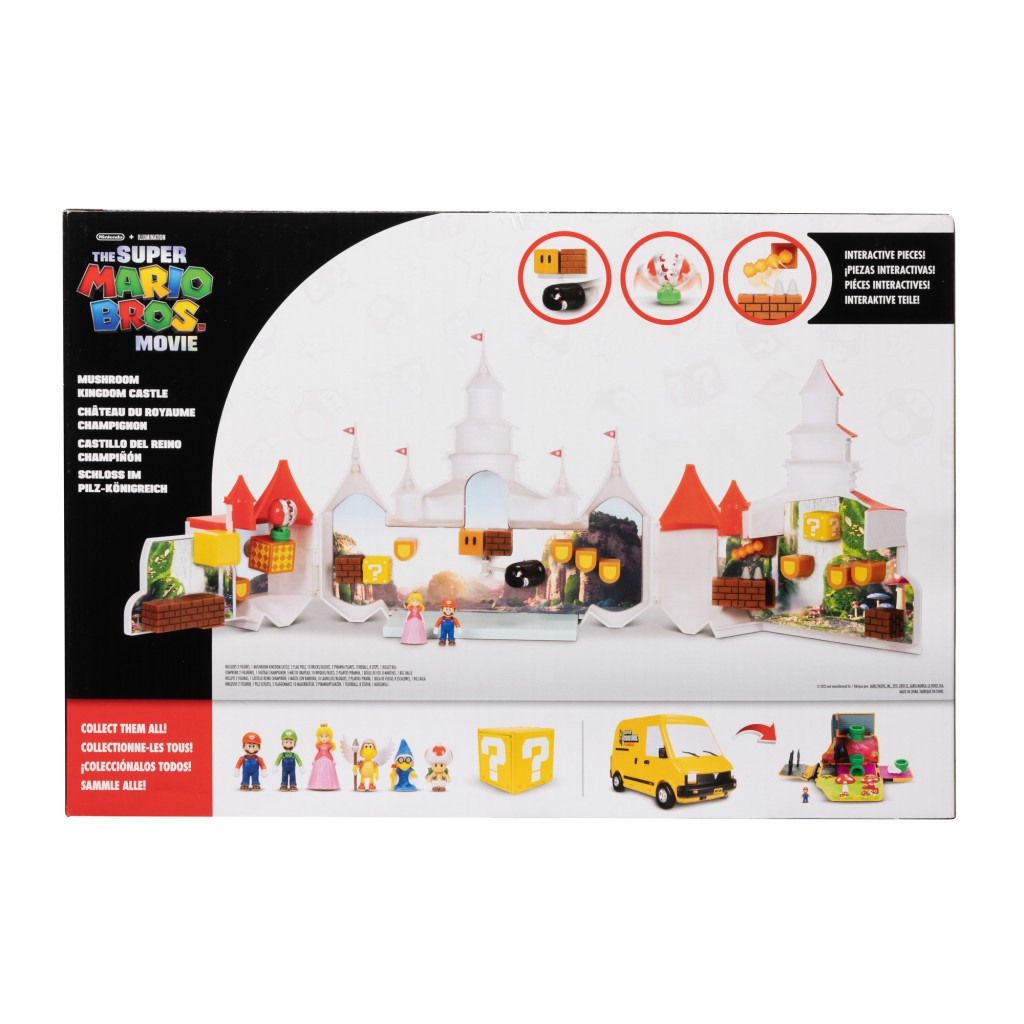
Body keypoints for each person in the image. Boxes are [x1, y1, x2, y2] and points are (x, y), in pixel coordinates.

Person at [307, 724, 340, 791]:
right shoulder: (318, 745)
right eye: (321, 736)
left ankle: (329, 784)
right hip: (319, 758)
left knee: (328, 771)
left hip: (328, 759)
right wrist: (313, 759)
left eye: (326, 736)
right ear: (318, 736)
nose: (324, 738)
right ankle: (316, 784)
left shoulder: (329, 745)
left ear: (330, 737)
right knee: (318, 771)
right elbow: (316, 752)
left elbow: (331, 752)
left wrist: (334, 759)